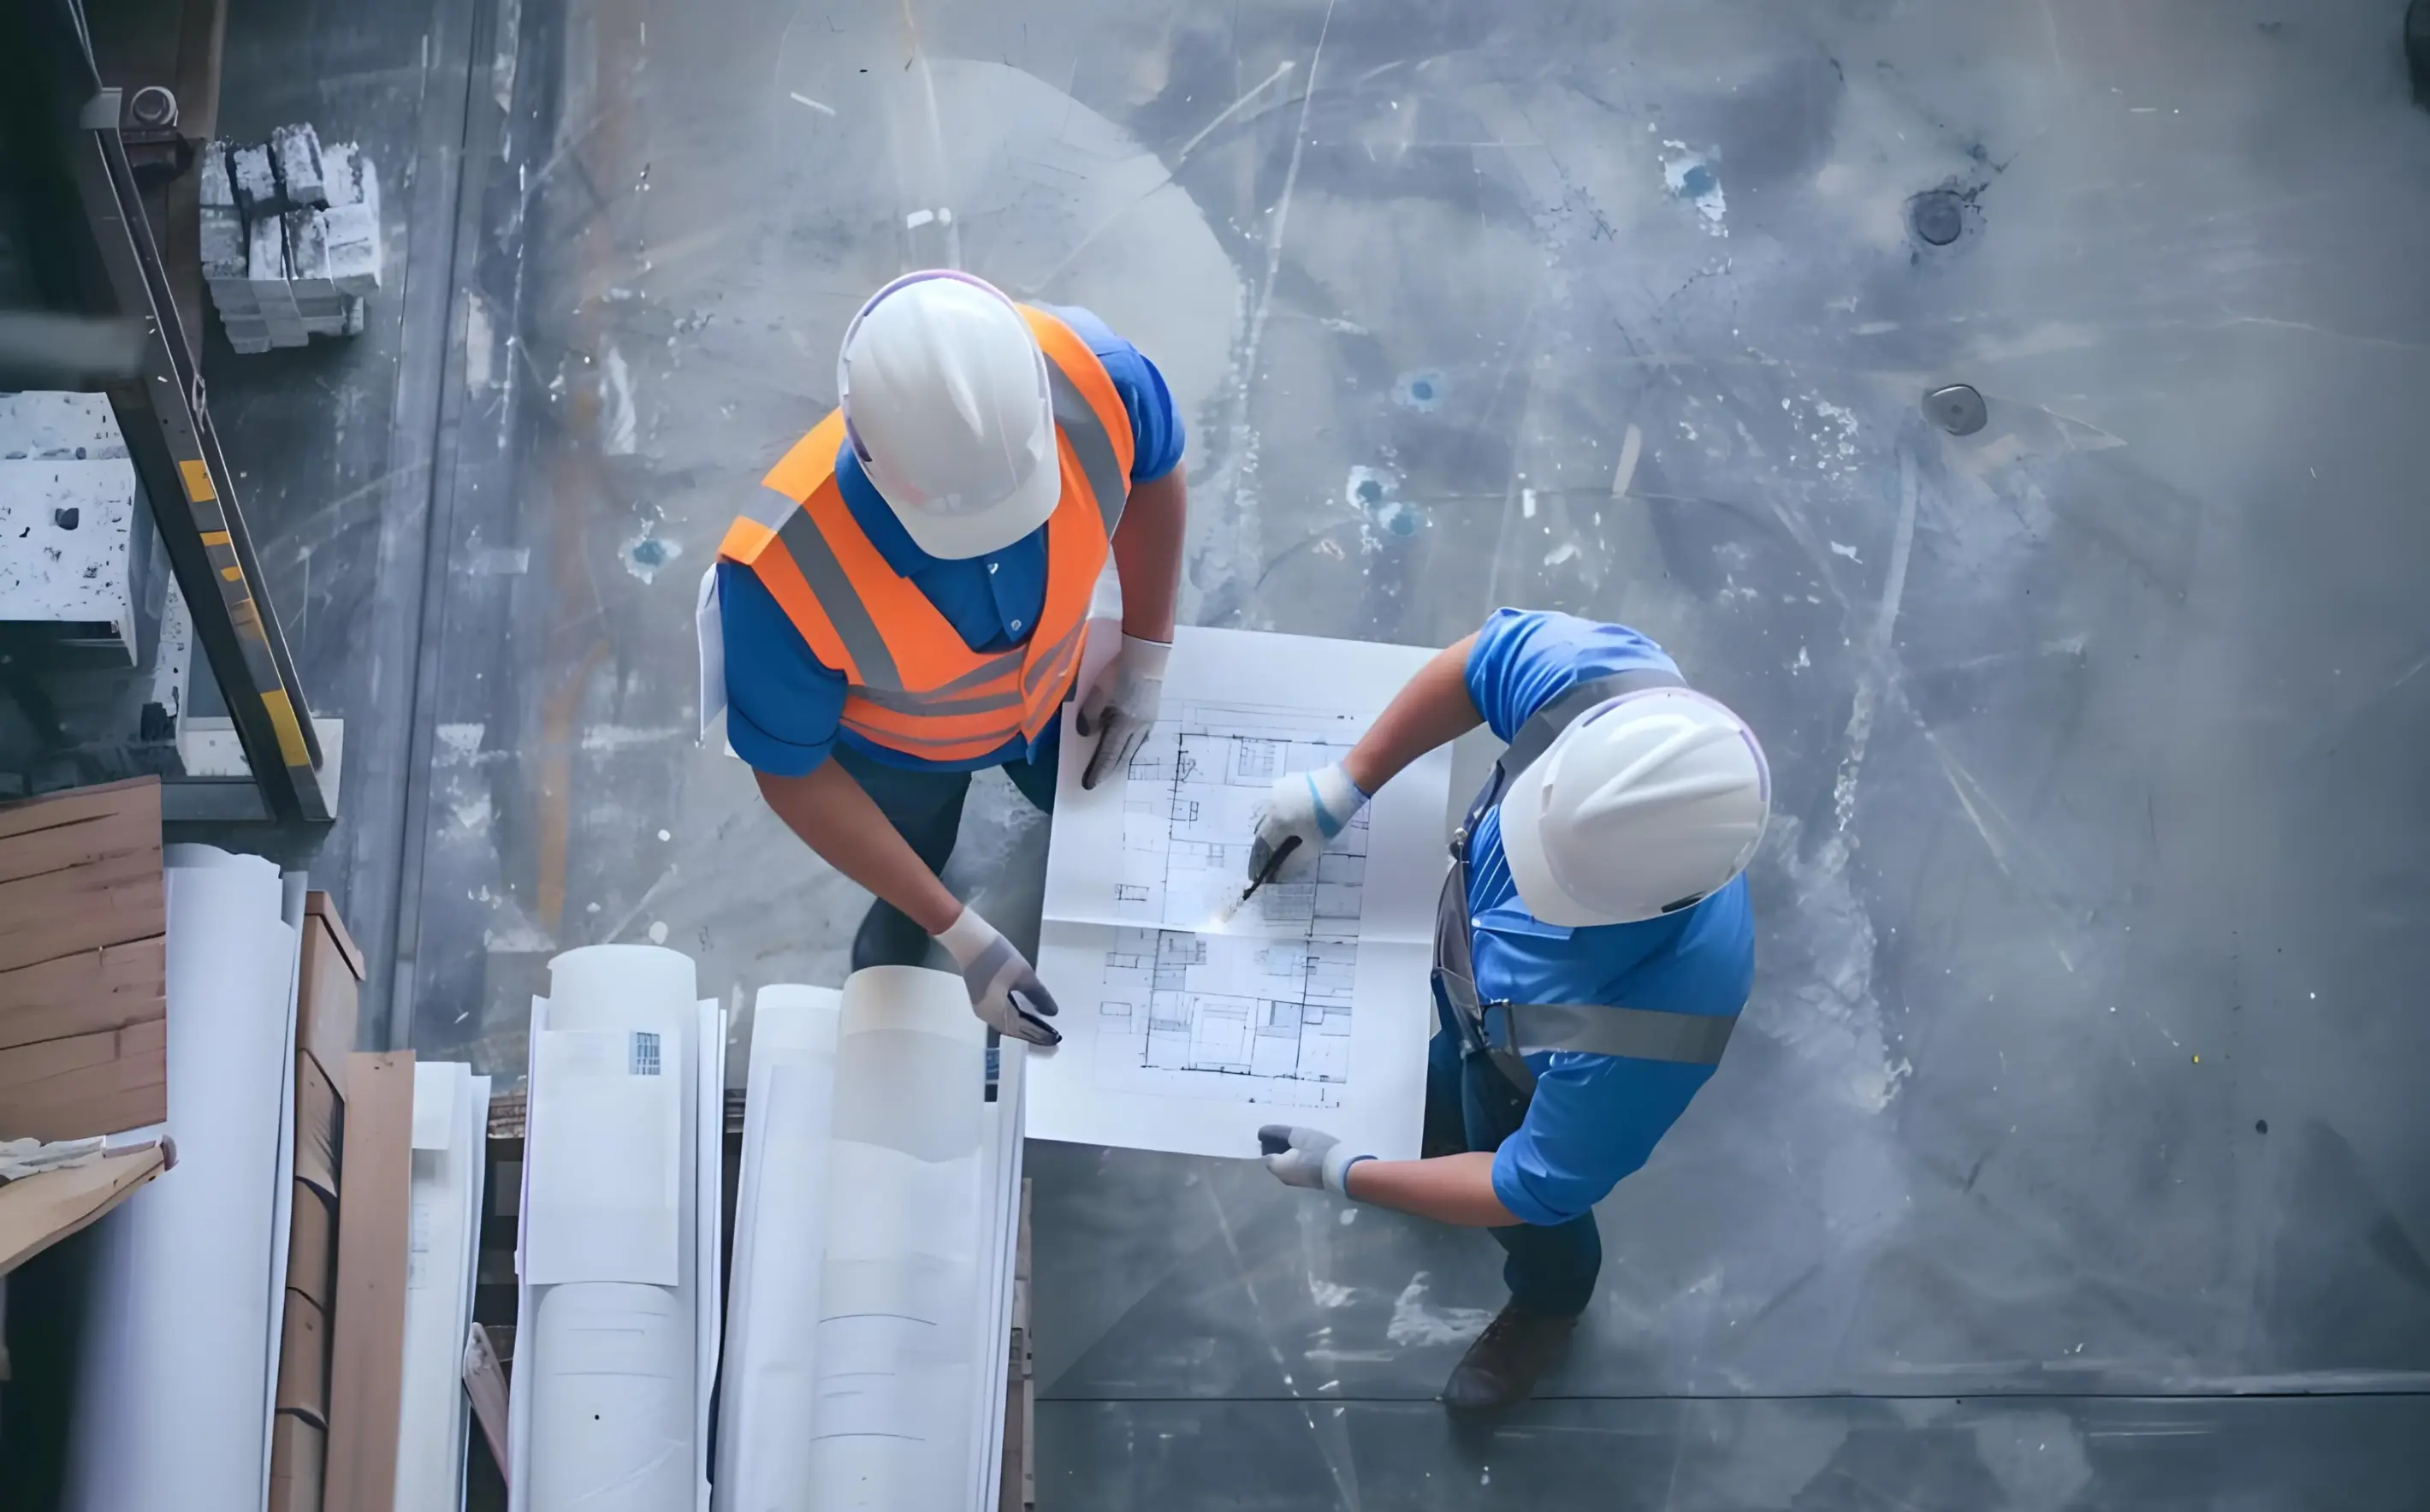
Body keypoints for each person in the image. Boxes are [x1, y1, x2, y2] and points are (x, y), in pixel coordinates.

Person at [1248, 608, 1769, 1411]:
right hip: (1467, 1002)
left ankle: (1550, 1302)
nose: (1524, 887)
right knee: (1438, 1091)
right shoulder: (1606, 692)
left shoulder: (1656, 1024)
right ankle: (1433, 1141)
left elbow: (1525, 1183)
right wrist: (1342, 786)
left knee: (1535, 1217)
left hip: (1525, 1074)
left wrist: (1347, 1175)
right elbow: (1476, 664)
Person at [697, 270, 1187, 1046]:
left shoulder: (1097, 378)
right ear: (867, 453)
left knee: (1103, 809)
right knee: (912, 841)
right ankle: (910, 906)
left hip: (1062, 690)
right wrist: (959, 932)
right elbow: (791, 771)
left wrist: (1146, 654)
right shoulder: (776, 571)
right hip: (904, 754)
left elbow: (1154, 470)